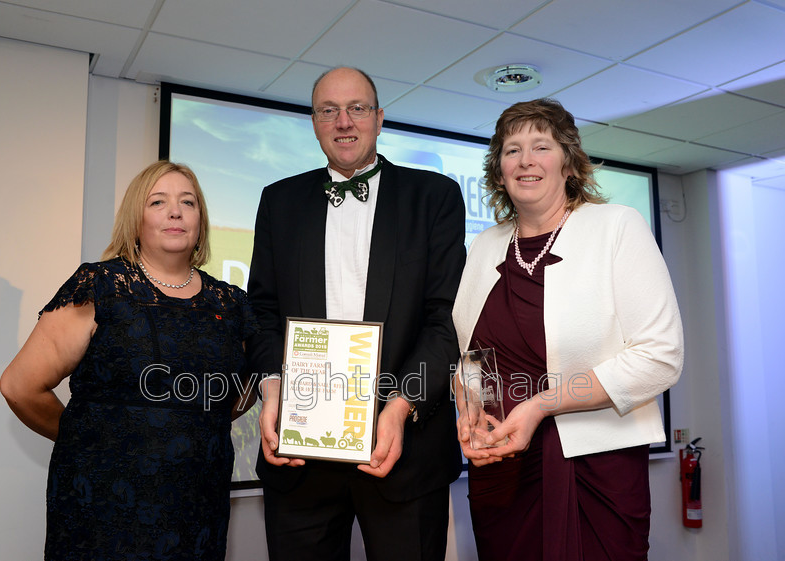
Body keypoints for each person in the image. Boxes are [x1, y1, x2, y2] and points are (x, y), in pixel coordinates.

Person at [247, 66, 465, 561]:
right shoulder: (278, 201)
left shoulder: (434, 198)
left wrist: (400, 406)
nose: (344, 122)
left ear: (380, 118)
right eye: (329, 110)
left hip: (404, 451)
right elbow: (259, 311)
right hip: (299, 457)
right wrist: (270, 384)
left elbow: (444, 320)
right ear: (314, 122)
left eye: (357, 109)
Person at [452, 98, 684, 561]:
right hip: (502, 467)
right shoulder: (485, 245)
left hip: (596, 465)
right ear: (498, 171)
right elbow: (468, 358)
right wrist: (469, 414)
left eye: (542, 146)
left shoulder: (617, 227)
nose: (526, 160)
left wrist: (541, 405)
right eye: (512, 150)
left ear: (569, 162)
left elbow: (660, 358)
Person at [0, 161, 258, 560]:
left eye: (188, 202)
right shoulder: (100, 286)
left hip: (198, 507)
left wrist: (192, 425)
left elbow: (242, 391)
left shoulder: (231, 302)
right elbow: (19, 386)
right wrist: (89, 441)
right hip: (105, 509)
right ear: (135, 219)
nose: (176, 211)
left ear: (200, 220)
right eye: (159, 201)